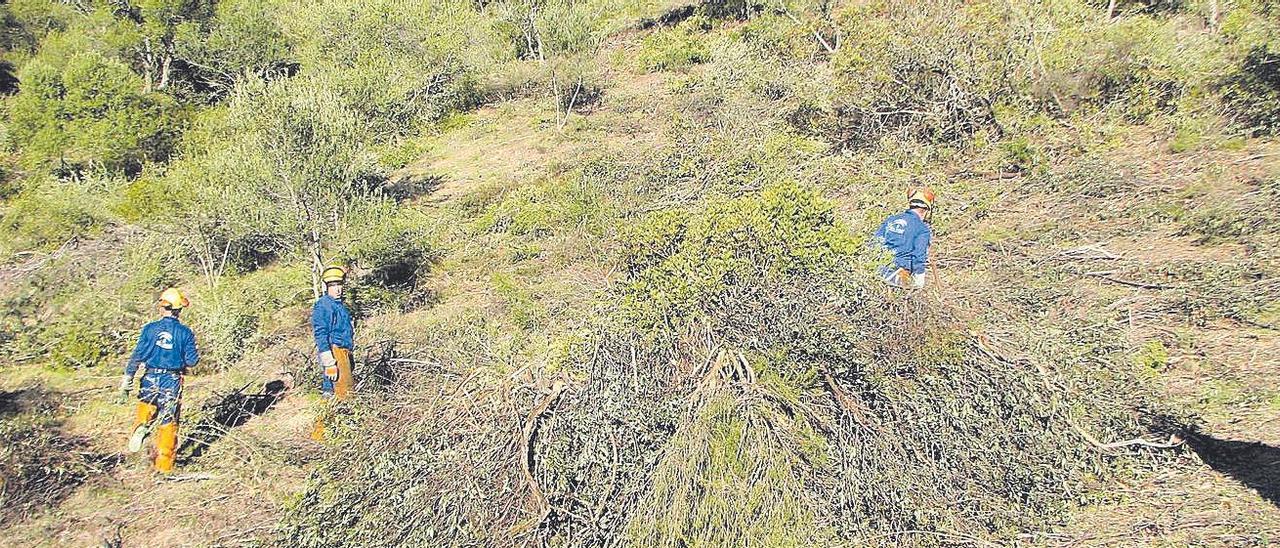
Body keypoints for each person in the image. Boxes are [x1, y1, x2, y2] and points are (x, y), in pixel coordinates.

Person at [118, 287, 199, 474]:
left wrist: (128, 379)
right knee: (168, 423)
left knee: (145, 412)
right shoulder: (185, 333)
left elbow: (137, 355)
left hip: (150, 377)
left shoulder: (149, 329)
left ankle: (142, 428)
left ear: (162, 307)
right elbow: (192, 361)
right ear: (179, 309)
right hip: (172, 380)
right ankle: (163, 468)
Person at [310, 265, 355, 440]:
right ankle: (323, 433)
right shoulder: (323, 305)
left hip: (344, 352)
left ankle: (332, 432)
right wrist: (329, 362)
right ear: (326, 287)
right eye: (333, 285)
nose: (337, 289)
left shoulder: (340, 306)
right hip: (335, 353)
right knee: (341, 395)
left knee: (336, 392)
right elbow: (321, 334)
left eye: (339, 284)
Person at [874, 187, 936, 289]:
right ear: (925, 210)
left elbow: (874, 242)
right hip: (897, 276)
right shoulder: (922, 228)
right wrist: (919, 277)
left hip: (877, 271)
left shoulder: (891, 219)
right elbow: (919, 255)